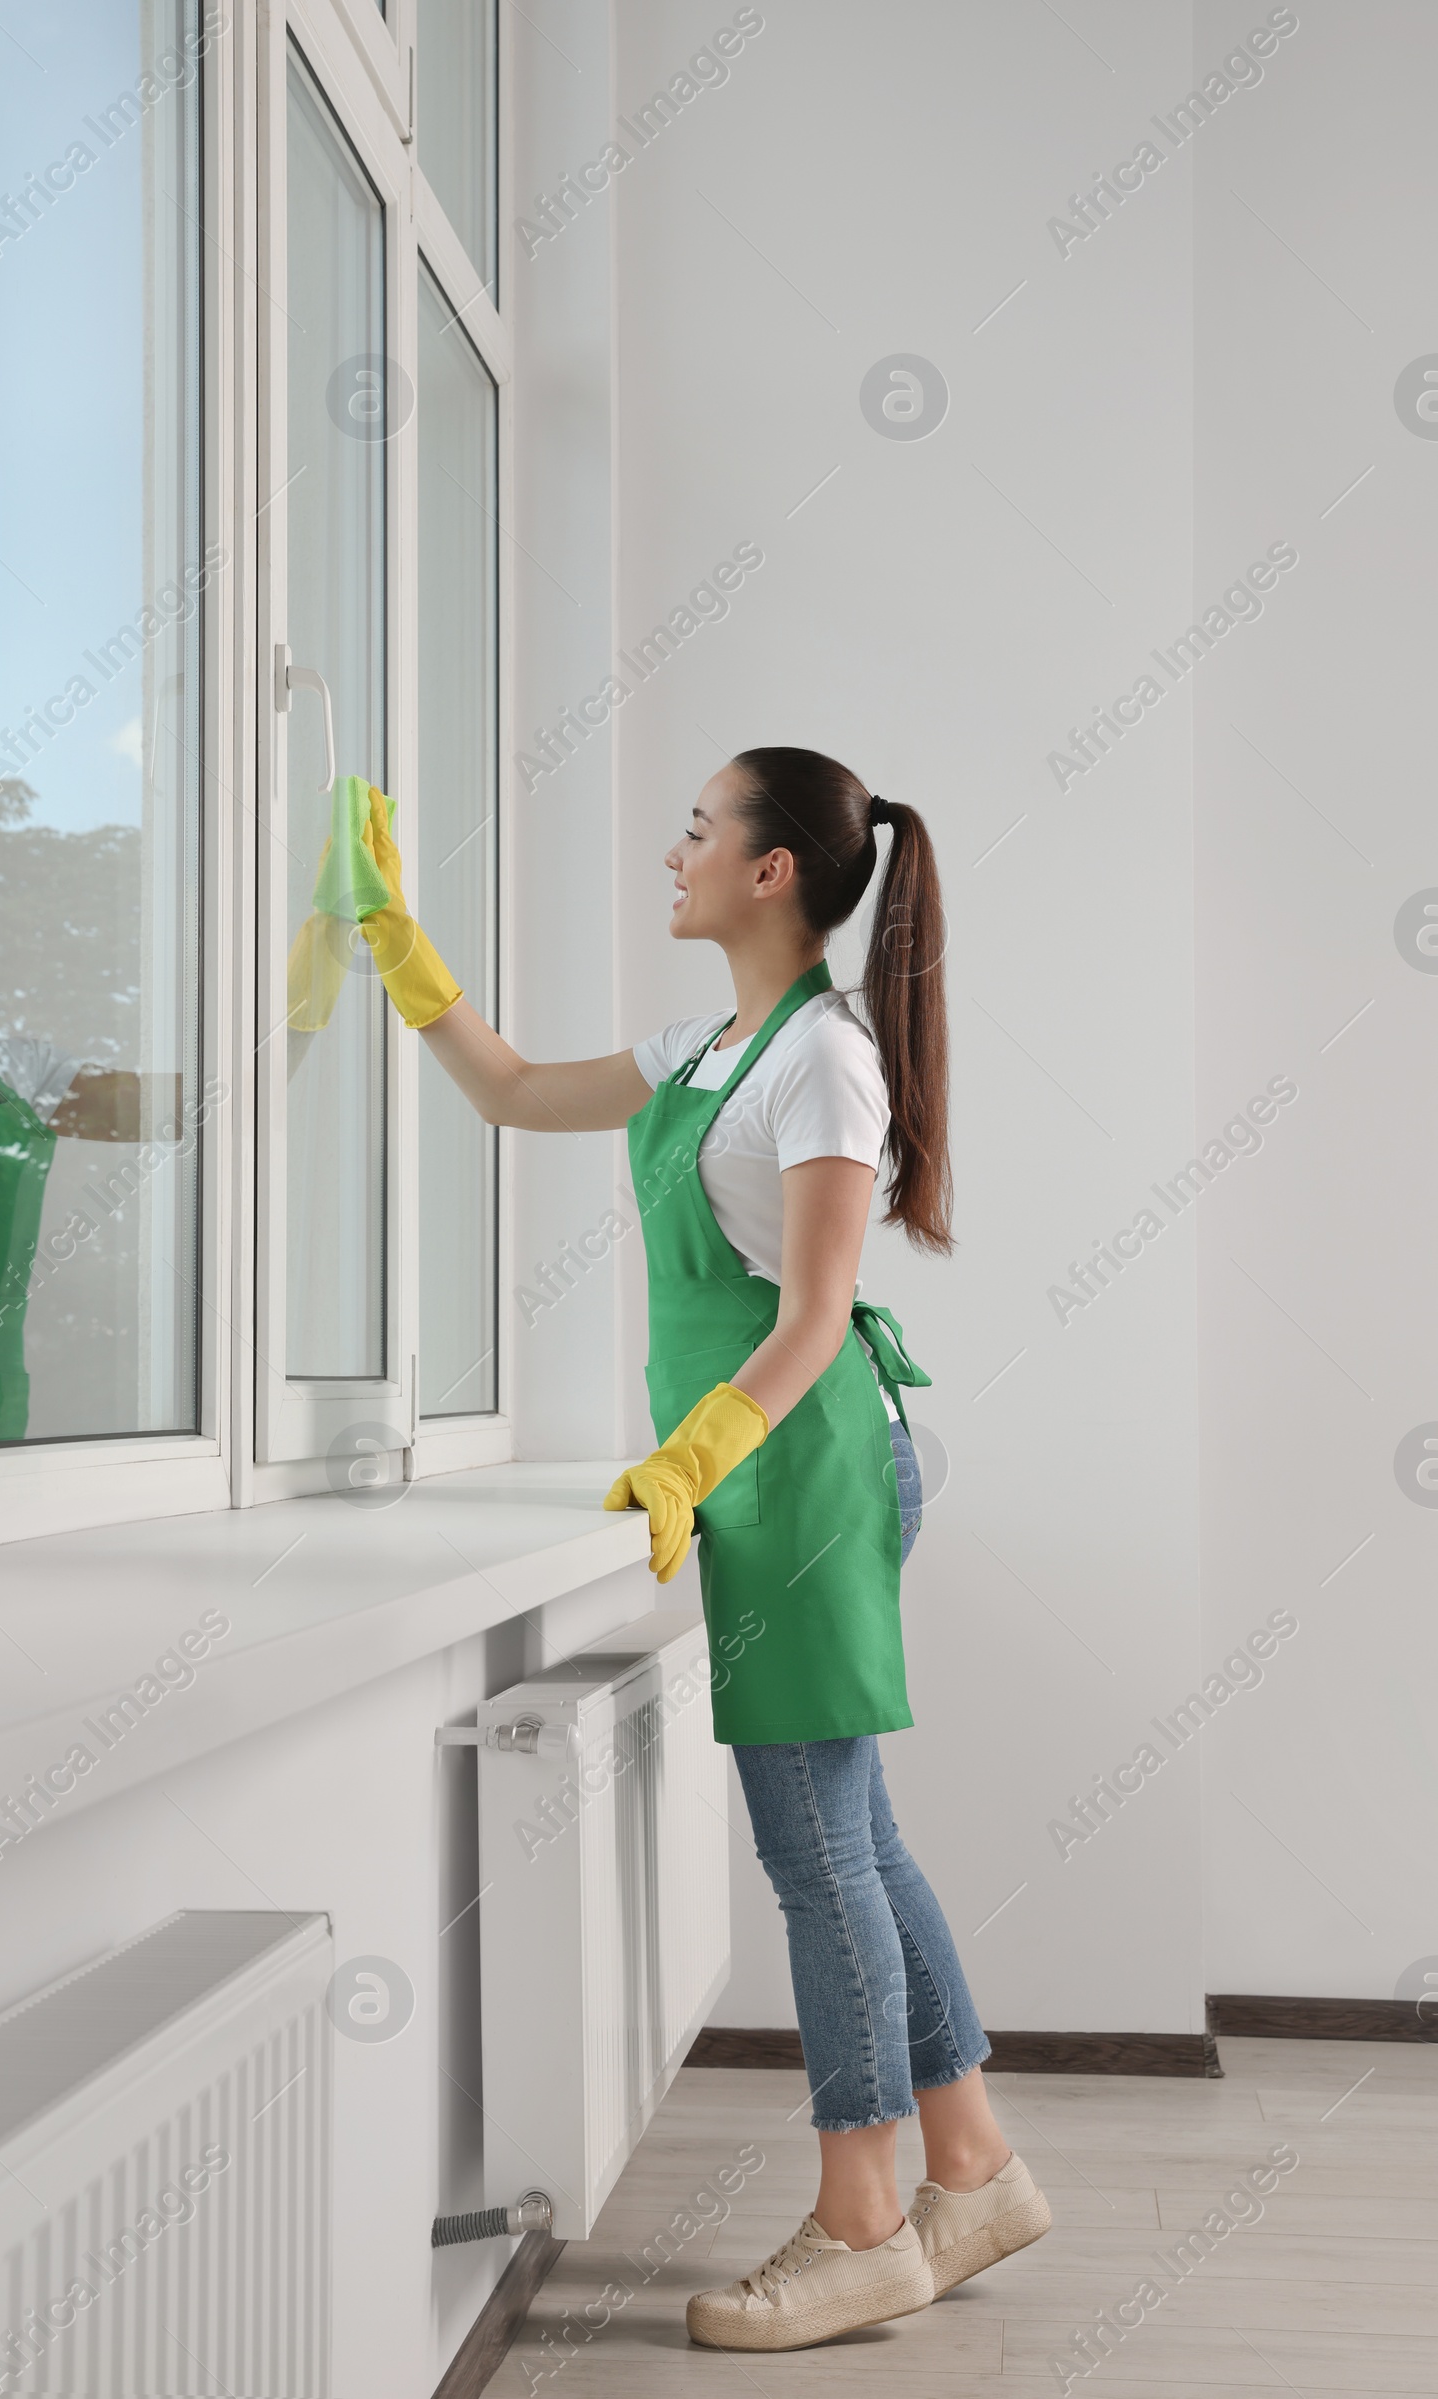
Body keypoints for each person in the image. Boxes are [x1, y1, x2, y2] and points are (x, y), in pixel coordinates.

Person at [333, 746, 1051, 2353]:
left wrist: (693, 1456)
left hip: (802, 1474)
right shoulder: (711, 1047)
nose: (677, 853)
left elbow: (808, 1320)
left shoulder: (828, 1065)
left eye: (699, 830)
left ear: (774, 871)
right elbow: (515, 1091)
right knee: (856, 1838)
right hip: (749, 1475)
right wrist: (396, 938)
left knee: (815, 1856)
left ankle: (864, 2224)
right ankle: (974, 2167)